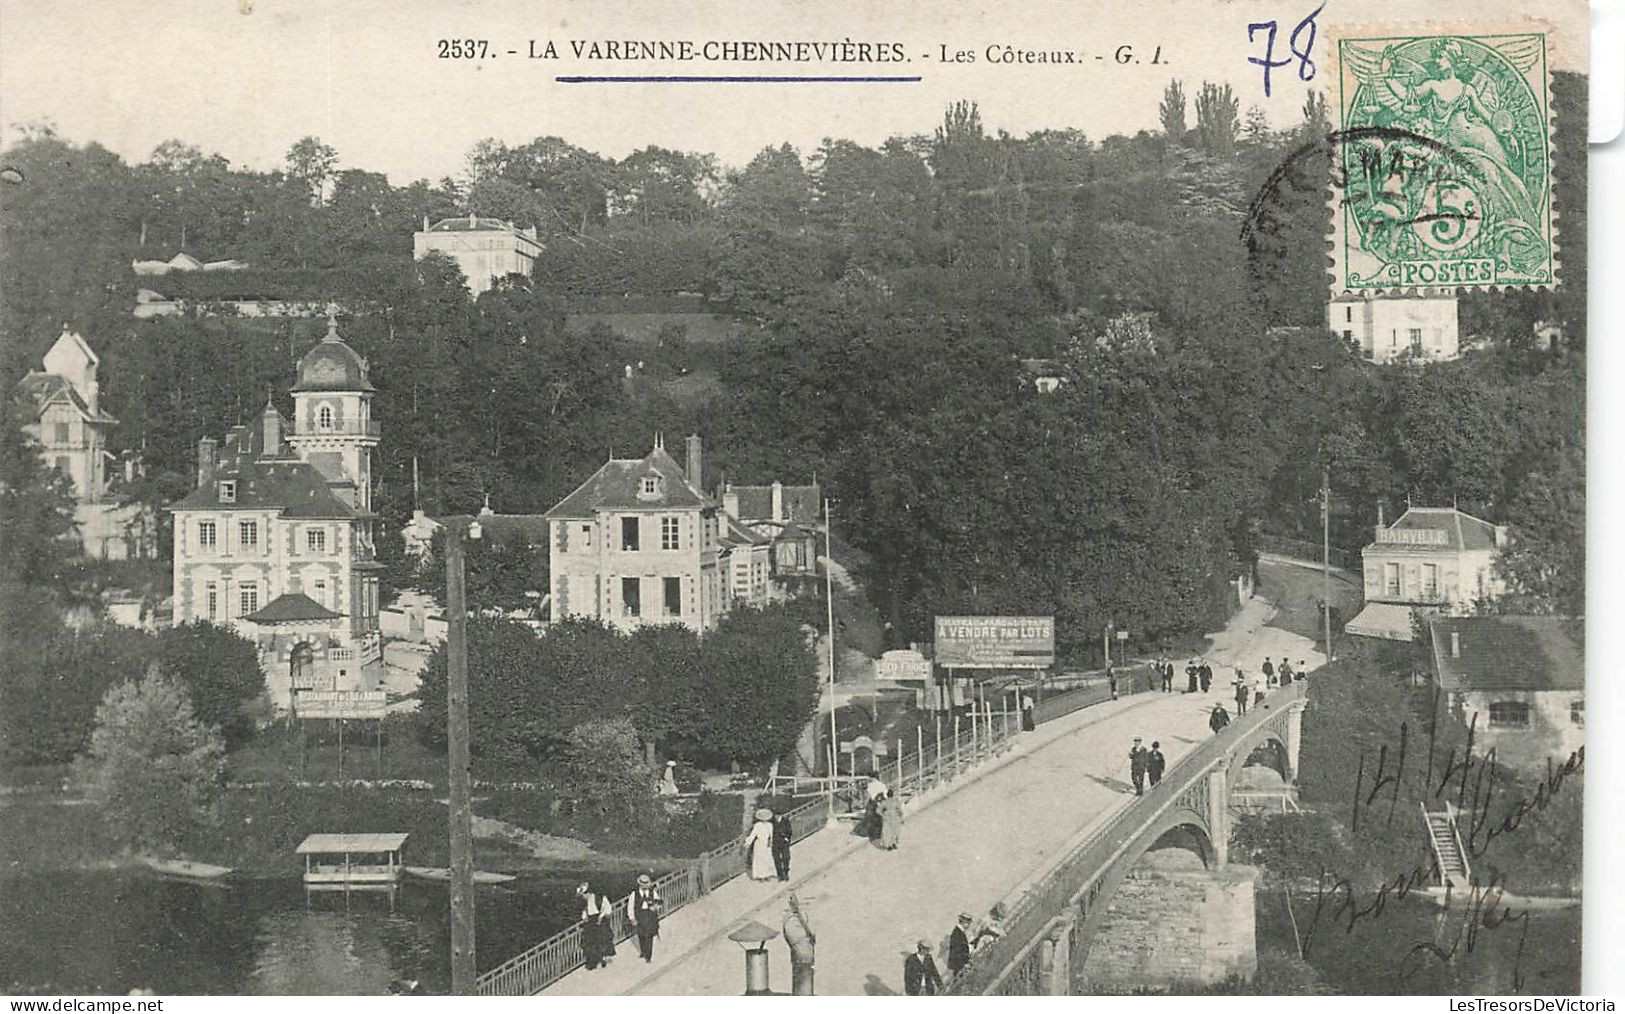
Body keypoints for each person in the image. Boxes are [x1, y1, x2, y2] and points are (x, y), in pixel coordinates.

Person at [783, 893, 816, 995]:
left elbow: (788, 937)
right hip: (805, 951)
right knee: (804, 977)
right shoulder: (797, 917)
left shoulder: (790, 919)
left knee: (801, 977)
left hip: (800, 951)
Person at [577, 882, 616, 970]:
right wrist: (585, 918)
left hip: (601, 922)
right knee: (591, 942)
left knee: (604, 939)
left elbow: (608, 909)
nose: (583, 897)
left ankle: (605, 958)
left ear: (587, 893)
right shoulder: (585, 903)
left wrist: (601, 917)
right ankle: (595, 961)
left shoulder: (599, 898)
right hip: (591, 923)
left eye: (583, 895)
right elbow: (584, 914)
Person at [627, 873, 663, 962]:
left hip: (649, 916)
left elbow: (658, 902)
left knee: (649, 936)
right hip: (639, 916)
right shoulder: (634, 894)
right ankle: (643, 951)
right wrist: (632, 918)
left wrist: (655, 907)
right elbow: (630, 906)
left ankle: (648, 956)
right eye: (643, 885)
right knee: (641, 935)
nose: (645, 887)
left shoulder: (652, 892)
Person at [745, 806, 777, 880]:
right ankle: (764, 875)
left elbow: (770, 835)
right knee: (763, 859)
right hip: (763, 843)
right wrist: (748, 842)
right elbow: (754, 835)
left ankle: (764, 875)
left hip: (763, 843)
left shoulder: (764, 825)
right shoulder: (763, 825)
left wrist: (748, 843)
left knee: (763, 859)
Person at [947, 913, 974, 977]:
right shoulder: (957, 934)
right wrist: (964, 963)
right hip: (960, 966)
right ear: (964, 922)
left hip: (961, 965)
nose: (969, 926)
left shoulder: (959, 932)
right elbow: (957, 952)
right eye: (968, 923)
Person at [772, 809, 794, 881]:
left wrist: (787, 838)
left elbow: (790, 831)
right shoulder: (772, 822)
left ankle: (786, 873)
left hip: (784, 843)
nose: (776, 817)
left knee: (786, 857)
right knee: (777, 859)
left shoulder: (785, 821)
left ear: (780, 815)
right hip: (775, 843)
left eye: (777, 815)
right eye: (775, 815)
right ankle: (780, 875)